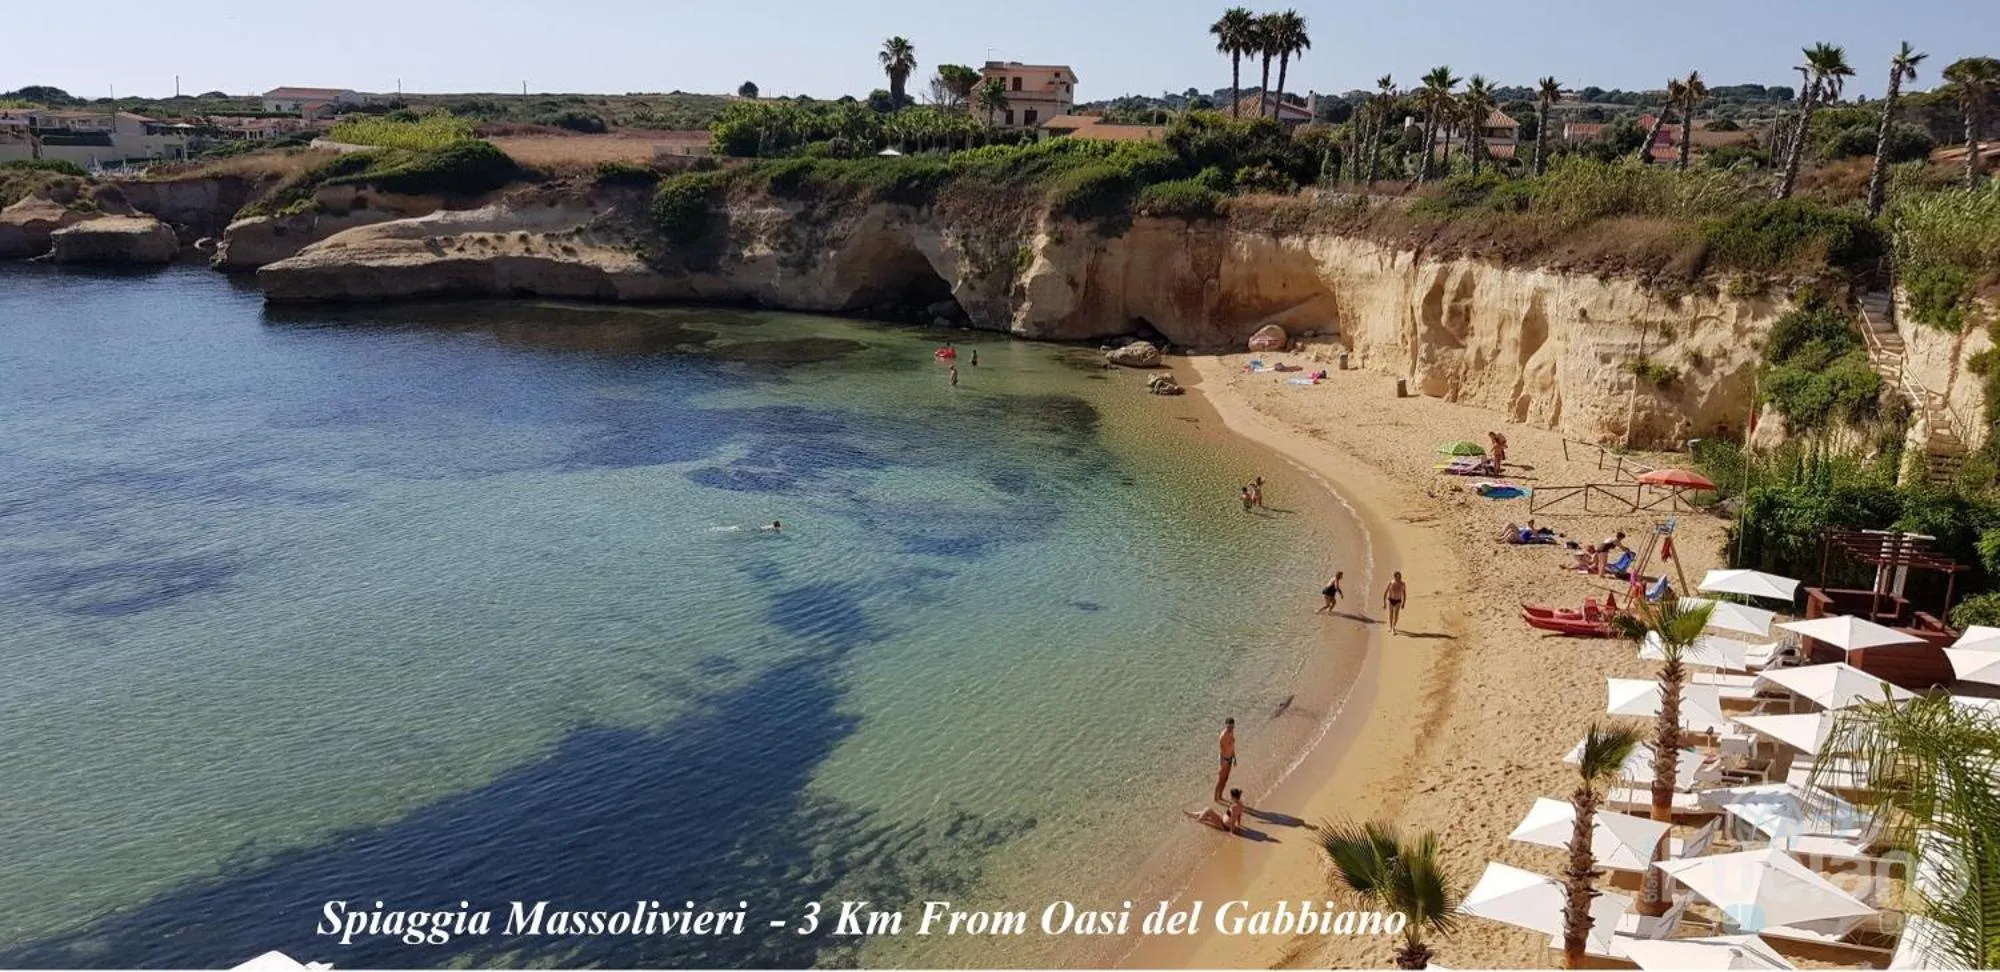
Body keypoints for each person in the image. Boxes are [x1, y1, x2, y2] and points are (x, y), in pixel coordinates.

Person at [1214, 718, 1236, 802]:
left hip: (1230, 758)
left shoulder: (1231, 732)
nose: (1231, 728)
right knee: (1221, 779)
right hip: (1224, 759)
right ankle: (1216, 798)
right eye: (1229, 727)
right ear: (1226, 725)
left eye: (1232, 727)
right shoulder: (1223, 736)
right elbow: (1222, 750)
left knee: (1226, 779)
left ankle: (1220, 796)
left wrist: (1234, 758)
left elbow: (1232, 746)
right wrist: (1224, 762)